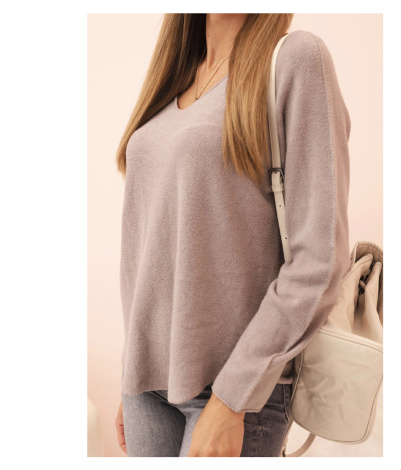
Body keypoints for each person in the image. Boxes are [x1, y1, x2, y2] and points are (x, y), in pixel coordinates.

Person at [114, 13, 351, 457]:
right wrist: (136, 368)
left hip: (233, 395)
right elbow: (151, 243)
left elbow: (319, 261)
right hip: (146, 391)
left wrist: (232, 399)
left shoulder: (296, 59)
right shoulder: (174, 74)